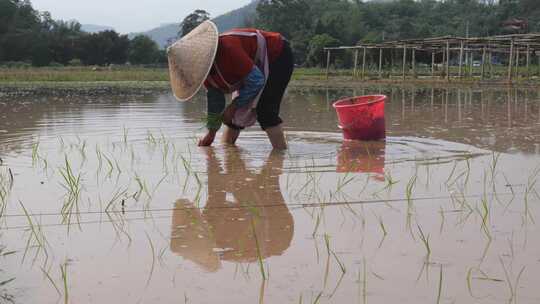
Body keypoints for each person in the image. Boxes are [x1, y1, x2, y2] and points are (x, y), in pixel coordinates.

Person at [167, 21, 294, 150]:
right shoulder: (205, 72)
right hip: (253, 67)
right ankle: (228, 153)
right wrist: (211, 134)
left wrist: (233, 106)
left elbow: (256, 81)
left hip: (277, 53)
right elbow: (215, 102)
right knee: (232, 116)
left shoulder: (228, 48)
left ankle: (279, 156)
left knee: (266, 111)